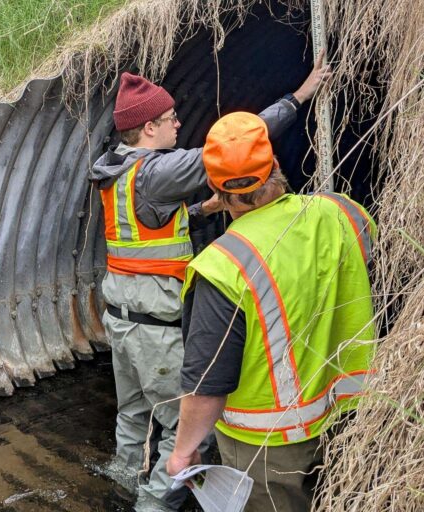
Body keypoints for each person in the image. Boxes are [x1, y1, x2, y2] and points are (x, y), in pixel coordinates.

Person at [90, 56, 330, 512]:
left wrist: (202, 210)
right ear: (146, 129)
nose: (179, 123)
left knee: (133, 417)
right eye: (168, 118)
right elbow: (235, 147)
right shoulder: (159, 172)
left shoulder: (116, 170)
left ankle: (120, 491)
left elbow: (146, 223)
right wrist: (297, 97)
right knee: (175, 432)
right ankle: (154, 507)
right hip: (156, 330)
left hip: (121, 320)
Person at [165, 111, 376, 511]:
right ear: (275, 165)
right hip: (353, 416)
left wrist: (183, 452)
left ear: (213, 186)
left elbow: (207, 381)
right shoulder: (342, 212)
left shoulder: (223, 265)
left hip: (270, 450)